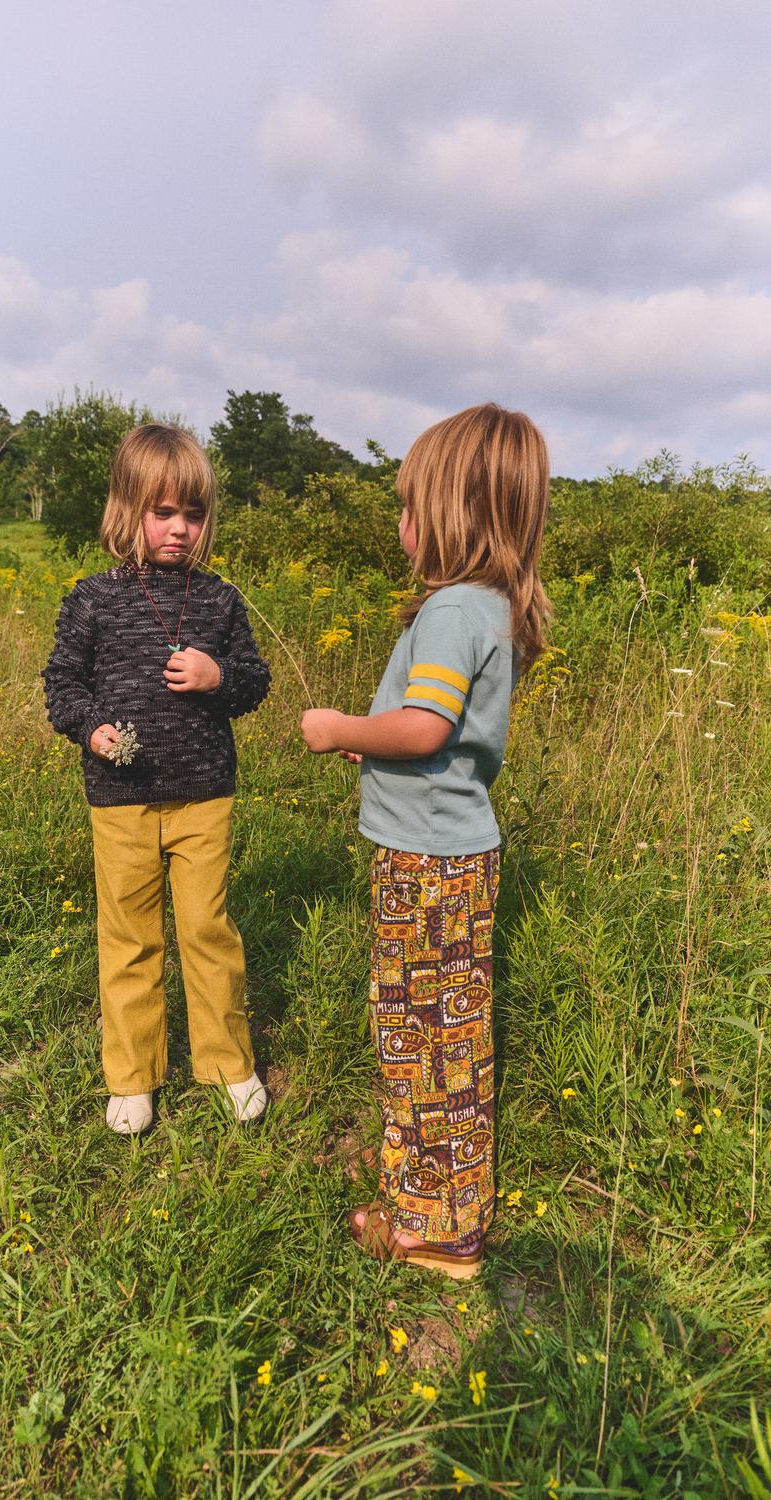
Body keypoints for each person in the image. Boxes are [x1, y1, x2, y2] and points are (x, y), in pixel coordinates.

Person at [301, 403, 551, 1279]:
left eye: (409, 505)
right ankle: (421, 1165)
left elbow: (422, 727)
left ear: (450, 514)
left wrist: (338, 728)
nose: (399, 523)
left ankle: (438, 1229)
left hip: (430, 865)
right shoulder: (488, 605)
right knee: (434, 1026)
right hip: (448, 856)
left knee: (429, 1033)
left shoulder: (452, 609)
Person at [42, 423, 270, 1134]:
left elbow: (254, 683)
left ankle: (228, 1064)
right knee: (131, 936)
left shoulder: (220, 600)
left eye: (193, 515)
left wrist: (217, 675)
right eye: (163, 512)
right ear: (126, 509)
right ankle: (133, 1076)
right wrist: (90, 728)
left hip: (206, 794)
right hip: (120, 799)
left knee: (208, 929)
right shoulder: (93, 599)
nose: (180, 529)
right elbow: (60, 683)